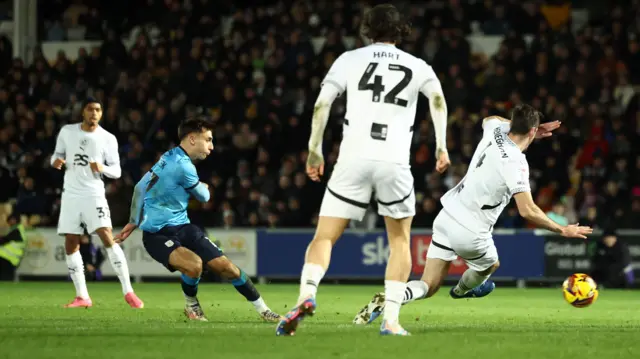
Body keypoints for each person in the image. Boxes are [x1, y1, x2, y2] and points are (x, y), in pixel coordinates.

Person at [276, 3, 450, 337]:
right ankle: (391, 320)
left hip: (352, 158)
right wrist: (442, 145)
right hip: (394, 162)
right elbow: (438, 100)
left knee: (325, 236)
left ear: (367, 29)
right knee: (399, 242)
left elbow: (322, 104)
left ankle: (307, 295)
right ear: (401, 31)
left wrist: (315, 150)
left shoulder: (349, 59)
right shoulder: (418, 65)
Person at [353, 105, 594, 325]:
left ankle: (392, 296)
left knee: (428, 284)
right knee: (491, 264)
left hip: (447, 216)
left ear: (513, 123)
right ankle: (462, 290)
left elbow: (489, 118)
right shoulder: (516, 162)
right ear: (532, 131)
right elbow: (527, 209)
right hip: (471, 230)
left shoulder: (497, 131)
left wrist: (526, 127)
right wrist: (563, 229)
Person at [115, 115, 281, 322]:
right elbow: (204, 198)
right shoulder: (184, 166)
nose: (211, 146)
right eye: (209, 139)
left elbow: (140, 187)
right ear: (192, 139)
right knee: (194, 266)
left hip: (184, 228)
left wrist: (132, 220)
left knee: (227, 268)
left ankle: (264, 310)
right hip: (157, 234)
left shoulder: (168, 156)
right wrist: (204, 187)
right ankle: (192, 306)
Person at [51, 97, 143, 309]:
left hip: (94, 194)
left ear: (101, 114)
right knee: (71, 242)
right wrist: (57, 162)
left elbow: (117, 171)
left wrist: (101, 168)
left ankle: (128, 291)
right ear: (83, 112)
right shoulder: (67, 132)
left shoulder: (108, 138)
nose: (94, 113)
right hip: (71, 196)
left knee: (106, 236)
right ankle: (82, 296)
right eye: (90, 109)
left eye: (98, 110)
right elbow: (56, 157)